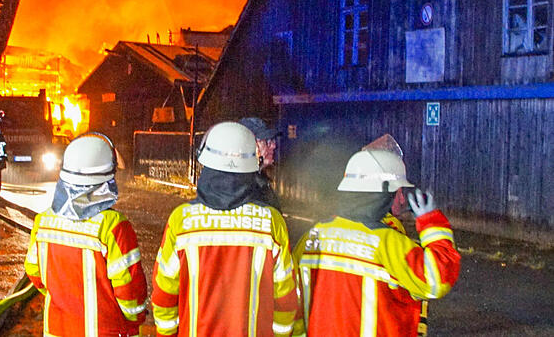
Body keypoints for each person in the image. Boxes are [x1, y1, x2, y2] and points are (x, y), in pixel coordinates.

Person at [292, 134, 461, 337]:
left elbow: (293, 300)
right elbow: (437, 279)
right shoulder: (387, 242)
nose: (401, 198)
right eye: (396, 191)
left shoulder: (313, 235)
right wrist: (432, 222)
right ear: (382, 194)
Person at [152, 121, 298, 336]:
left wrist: (167, 333)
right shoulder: (271, 222)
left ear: (205, 162)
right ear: (252, 163)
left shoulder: (181, 220)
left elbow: (164, 290)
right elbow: (285, 296)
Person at [24, 133, 148, 336]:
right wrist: (136, 318)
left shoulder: (43, 222)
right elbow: (130, 293)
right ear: (107, 179)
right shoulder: (113, 226)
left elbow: (34, 272)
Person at [238, 116, 282, 209]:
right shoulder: (244, 188)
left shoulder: (259, 183)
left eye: (273, 140)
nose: (273, 146)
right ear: (249, 145)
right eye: (267, 141)